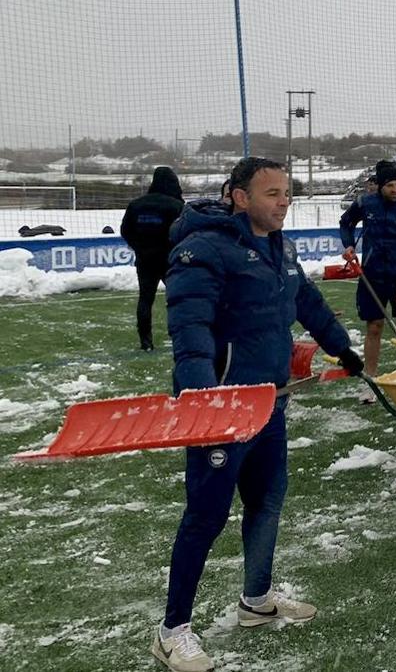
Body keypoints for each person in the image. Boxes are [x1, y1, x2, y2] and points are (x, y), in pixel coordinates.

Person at [152, 157, 363, 672]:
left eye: (287, 192)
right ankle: (171, 629)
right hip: (223, 407)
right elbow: (191, 325)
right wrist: (203, 395)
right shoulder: (202, 250)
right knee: (205, 516)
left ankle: (256, 599)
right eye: (273, 193)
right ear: (239, 197)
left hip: (271, 401)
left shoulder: (280, 248)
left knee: (267, 503)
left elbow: (307, 303)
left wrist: (342, 347)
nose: (283, 201)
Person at [339, 160, 396, 401]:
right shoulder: (366, 204)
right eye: (390, 185)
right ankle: (371, 381)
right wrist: (348, 244)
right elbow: (345, 222)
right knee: (374, 327)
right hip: (373, 277)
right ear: (380, 186)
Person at [120, 166, 184, 350]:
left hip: (145, 260)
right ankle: (179, 334)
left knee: (145, 299)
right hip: (170, 260)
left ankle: (145, 341)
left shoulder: (136, 204)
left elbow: (126, 230)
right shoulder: (176, 205)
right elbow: (183, 232)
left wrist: (140, 247)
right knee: (177, 298)